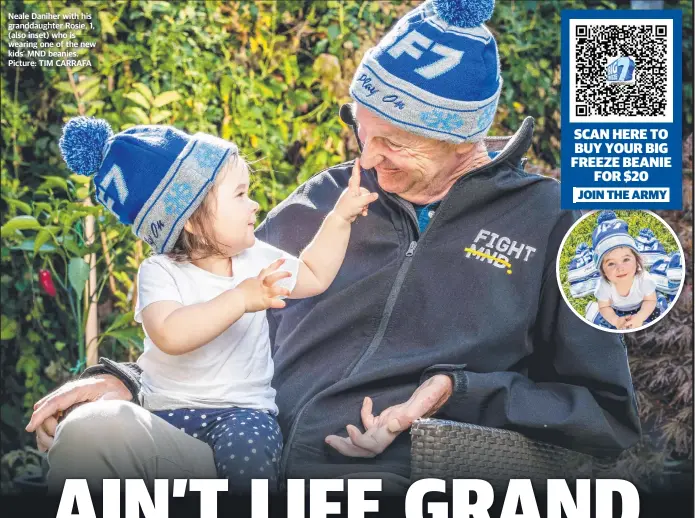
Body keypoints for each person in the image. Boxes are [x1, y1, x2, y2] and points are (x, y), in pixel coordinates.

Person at [27, 0, 640, 494]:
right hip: (239, 455)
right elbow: (225, 310)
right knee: (94, 434)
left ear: (464, 140)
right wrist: (130, 384)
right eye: (363, 132)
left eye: (394, 144)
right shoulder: (327, 196)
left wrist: (456, 391)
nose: (367, 160)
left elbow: (604, 417)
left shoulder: (558, 223)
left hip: (389, 484)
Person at [54, 118, 377, 490]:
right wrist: (239, 298)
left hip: (242, 416)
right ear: (190, 219)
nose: (255, 205)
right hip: (164, 414)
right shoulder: (159, 271)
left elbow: (314, 274)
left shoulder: (253, 258)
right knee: (104, 445)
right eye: (240, 195)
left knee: (252, 461)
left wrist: (339, 218)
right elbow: (171, 334)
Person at [592, 211, 659, 331]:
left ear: (637, 260)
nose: (620, 268)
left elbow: (650, 300)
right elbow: (604, 307)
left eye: (626, 259)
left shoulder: (644, 279)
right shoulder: (604, 285)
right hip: (616, 311)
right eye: (611, 263)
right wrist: (616, 320)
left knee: (657, 311)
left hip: (642, 305)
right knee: (601, 322)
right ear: (602, 270)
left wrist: (640, 317)